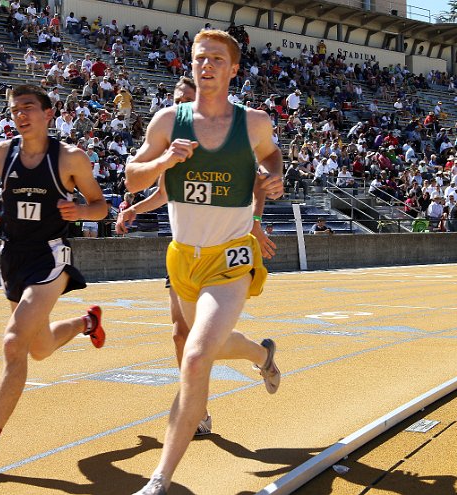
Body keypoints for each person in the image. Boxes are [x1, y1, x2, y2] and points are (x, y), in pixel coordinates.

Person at [125, 30, 283, 495]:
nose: (206, 65)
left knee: (194, 358)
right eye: (199, 59)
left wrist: (272, 180)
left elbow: (272, 156)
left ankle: (160, 479)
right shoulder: (168, 121)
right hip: (184, 259)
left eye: (217, 59)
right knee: (202, 343)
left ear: (234, 69)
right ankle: (262, 355)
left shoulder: (253, 123)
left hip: (230, 259)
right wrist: (162, 164)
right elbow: (133, 178)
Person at [0, 84, 109, 468]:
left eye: (28, 107)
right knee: (38, 348)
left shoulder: (70, 159)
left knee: (13, 342)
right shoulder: (0, 154)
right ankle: (89, 321)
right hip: (13, 256)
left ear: (48, 113)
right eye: (15, 108)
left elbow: (101, 206)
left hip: (51, 256)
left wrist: (80, 213)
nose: (21, 114)